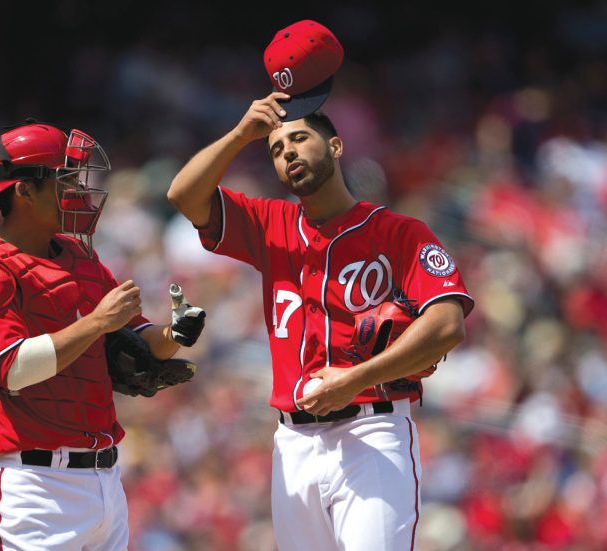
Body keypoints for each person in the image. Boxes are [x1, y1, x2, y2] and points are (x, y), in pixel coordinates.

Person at [166, 25, 474, 548]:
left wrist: (358, 379)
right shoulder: (270, 225)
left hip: (371, 432)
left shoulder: (396, 231)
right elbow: (184, 194)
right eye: (276, 148)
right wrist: (243, 133)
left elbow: (447, 324)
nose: (286, 152)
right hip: (293, 442)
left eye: (299, 138)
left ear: (334, 145)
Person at [0, 120, 205, 550]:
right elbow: (11, 369)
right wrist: (95, 323)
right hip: (36, 488)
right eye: (63, 179)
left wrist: (175, 332)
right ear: (24, 190)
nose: (76, 191)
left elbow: (138, 338)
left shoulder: (81, 259)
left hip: (105, 481)